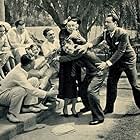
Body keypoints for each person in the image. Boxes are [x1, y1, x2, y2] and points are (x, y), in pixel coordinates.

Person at [76, 13, 140, 115]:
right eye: (105, 22)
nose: (105, 24)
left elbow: (120, 51)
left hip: (128, 60)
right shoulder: (106, 33)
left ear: (115, 23)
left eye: (108, 22)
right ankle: (109, 109)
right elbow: (97, 39)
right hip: (116, 62)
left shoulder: (123, 33)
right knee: (111, 84)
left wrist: (107, 63)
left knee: (134, 85)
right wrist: (87, 45)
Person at [58, 17, 106, 121]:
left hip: (98, 71)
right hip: (90, 71)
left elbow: (71, 56)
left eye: (68, 46)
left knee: (91, 92)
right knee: (82, 89)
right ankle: (88, 106)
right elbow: (66, 40)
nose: (67, 48)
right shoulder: (76, 44)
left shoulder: (79, 48)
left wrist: (58, 58)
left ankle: (98, 117)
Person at [0, 54, 57, 123]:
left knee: (34, 80)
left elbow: (38, 70)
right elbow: (31, 90)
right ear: (29, 65)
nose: (35, 63)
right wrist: (47, 94)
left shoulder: (22, 66)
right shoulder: (18, 74)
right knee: (21, 90)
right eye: (33, 63)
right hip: (3, 96)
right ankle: (11, 113)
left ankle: (27, 106)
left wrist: (47, 62)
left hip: (11, 91)